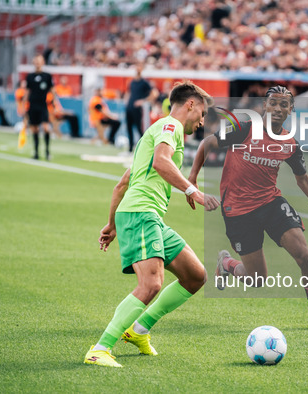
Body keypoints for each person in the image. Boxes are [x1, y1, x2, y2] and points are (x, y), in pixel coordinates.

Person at [188, 85, 308, 332]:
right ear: (264, 106)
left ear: (290, 110)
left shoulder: (290, 143)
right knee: (256, 279)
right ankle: (227, 264)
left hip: (270, 203)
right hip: (238, 210)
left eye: (283, 104)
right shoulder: (244, 129)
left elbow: (303, 180)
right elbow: (207, 143)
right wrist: (192, 180)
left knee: (304, 255)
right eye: (272, 103)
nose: (277, 108)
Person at [84, 81, 219, 368]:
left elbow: (122, 184)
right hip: (141, 213)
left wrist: (112, 224)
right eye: (203, 113)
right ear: (190, 105)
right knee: (151, 284)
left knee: (195, 276)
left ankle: (139, 330)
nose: (202, 121)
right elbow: (161, 162)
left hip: (145, 215)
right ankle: (100, 348)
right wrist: (192, 190)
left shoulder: (158, 132)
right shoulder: (170, 127)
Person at [24, 54, 55, 160]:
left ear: (43, 62)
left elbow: (52, 90)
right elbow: (27, 91)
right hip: (32, 105)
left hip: (43, 105)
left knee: (46, 128)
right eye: (36, 61)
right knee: (35, 129)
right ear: (33, 63)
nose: (37, 63)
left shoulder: (47, 76)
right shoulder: (30, 76)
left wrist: (54, 103)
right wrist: (24, 105)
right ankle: (36, 152)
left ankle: (47, 151)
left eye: (39, 61)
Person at [125, 65, 157, 152]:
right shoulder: (132, 82)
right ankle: (130, 148)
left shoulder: (144, 83)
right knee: (129, 128)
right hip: (130, 107)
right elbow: (129, 93)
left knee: (138, 128)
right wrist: (127, 102)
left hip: (137, 109)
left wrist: (142, 101)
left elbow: (154, 94)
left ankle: (144, 147)